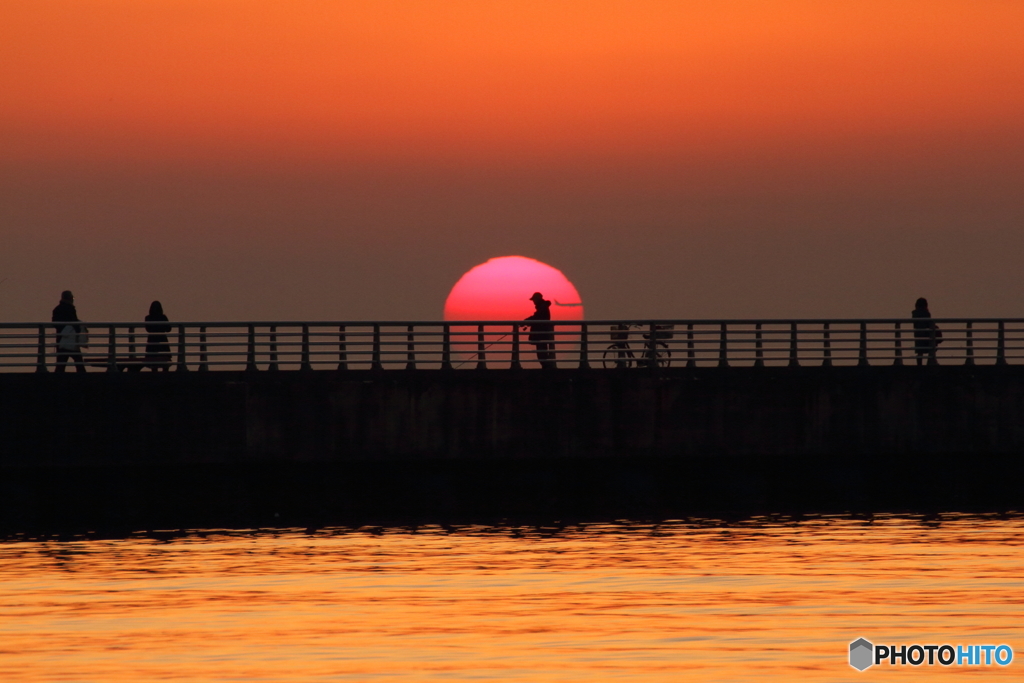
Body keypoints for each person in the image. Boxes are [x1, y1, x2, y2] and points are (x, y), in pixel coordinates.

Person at [51, 290, 87, 373]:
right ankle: (85, 380)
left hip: (61, 339)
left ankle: (55, 381)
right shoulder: (70, 308)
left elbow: (55, 323)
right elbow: (74, 322)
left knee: (61, 363)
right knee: (78, 362)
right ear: (70, 299)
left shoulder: (57, 309)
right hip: (72, 339)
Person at [523, 292, 556, 369]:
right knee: (542, 352)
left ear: (537, 299)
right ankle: (546, 368)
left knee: (541, 353)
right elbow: (537, 317)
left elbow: (537, 317)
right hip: (542, 333)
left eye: (534, 299)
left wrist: (526, 321)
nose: (533, 302)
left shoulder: (542, 307)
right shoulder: (542, 307)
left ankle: (546, 369)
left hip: (540, 334)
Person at [911, 297, 941, 366]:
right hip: (926, 334)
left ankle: (919, 364)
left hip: (918, 334)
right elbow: (929, 323)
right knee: (931, 347)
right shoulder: (926, 313)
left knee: (920, 351)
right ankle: (930, 361)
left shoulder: (914, 314)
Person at [145, 300, 172, 371]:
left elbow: (148, 329)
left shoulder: (148, 318)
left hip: (152, 340)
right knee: (164, 360)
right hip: (162, 339)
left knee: (153, 361)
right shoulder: (163, 317)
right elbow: (169, 329)